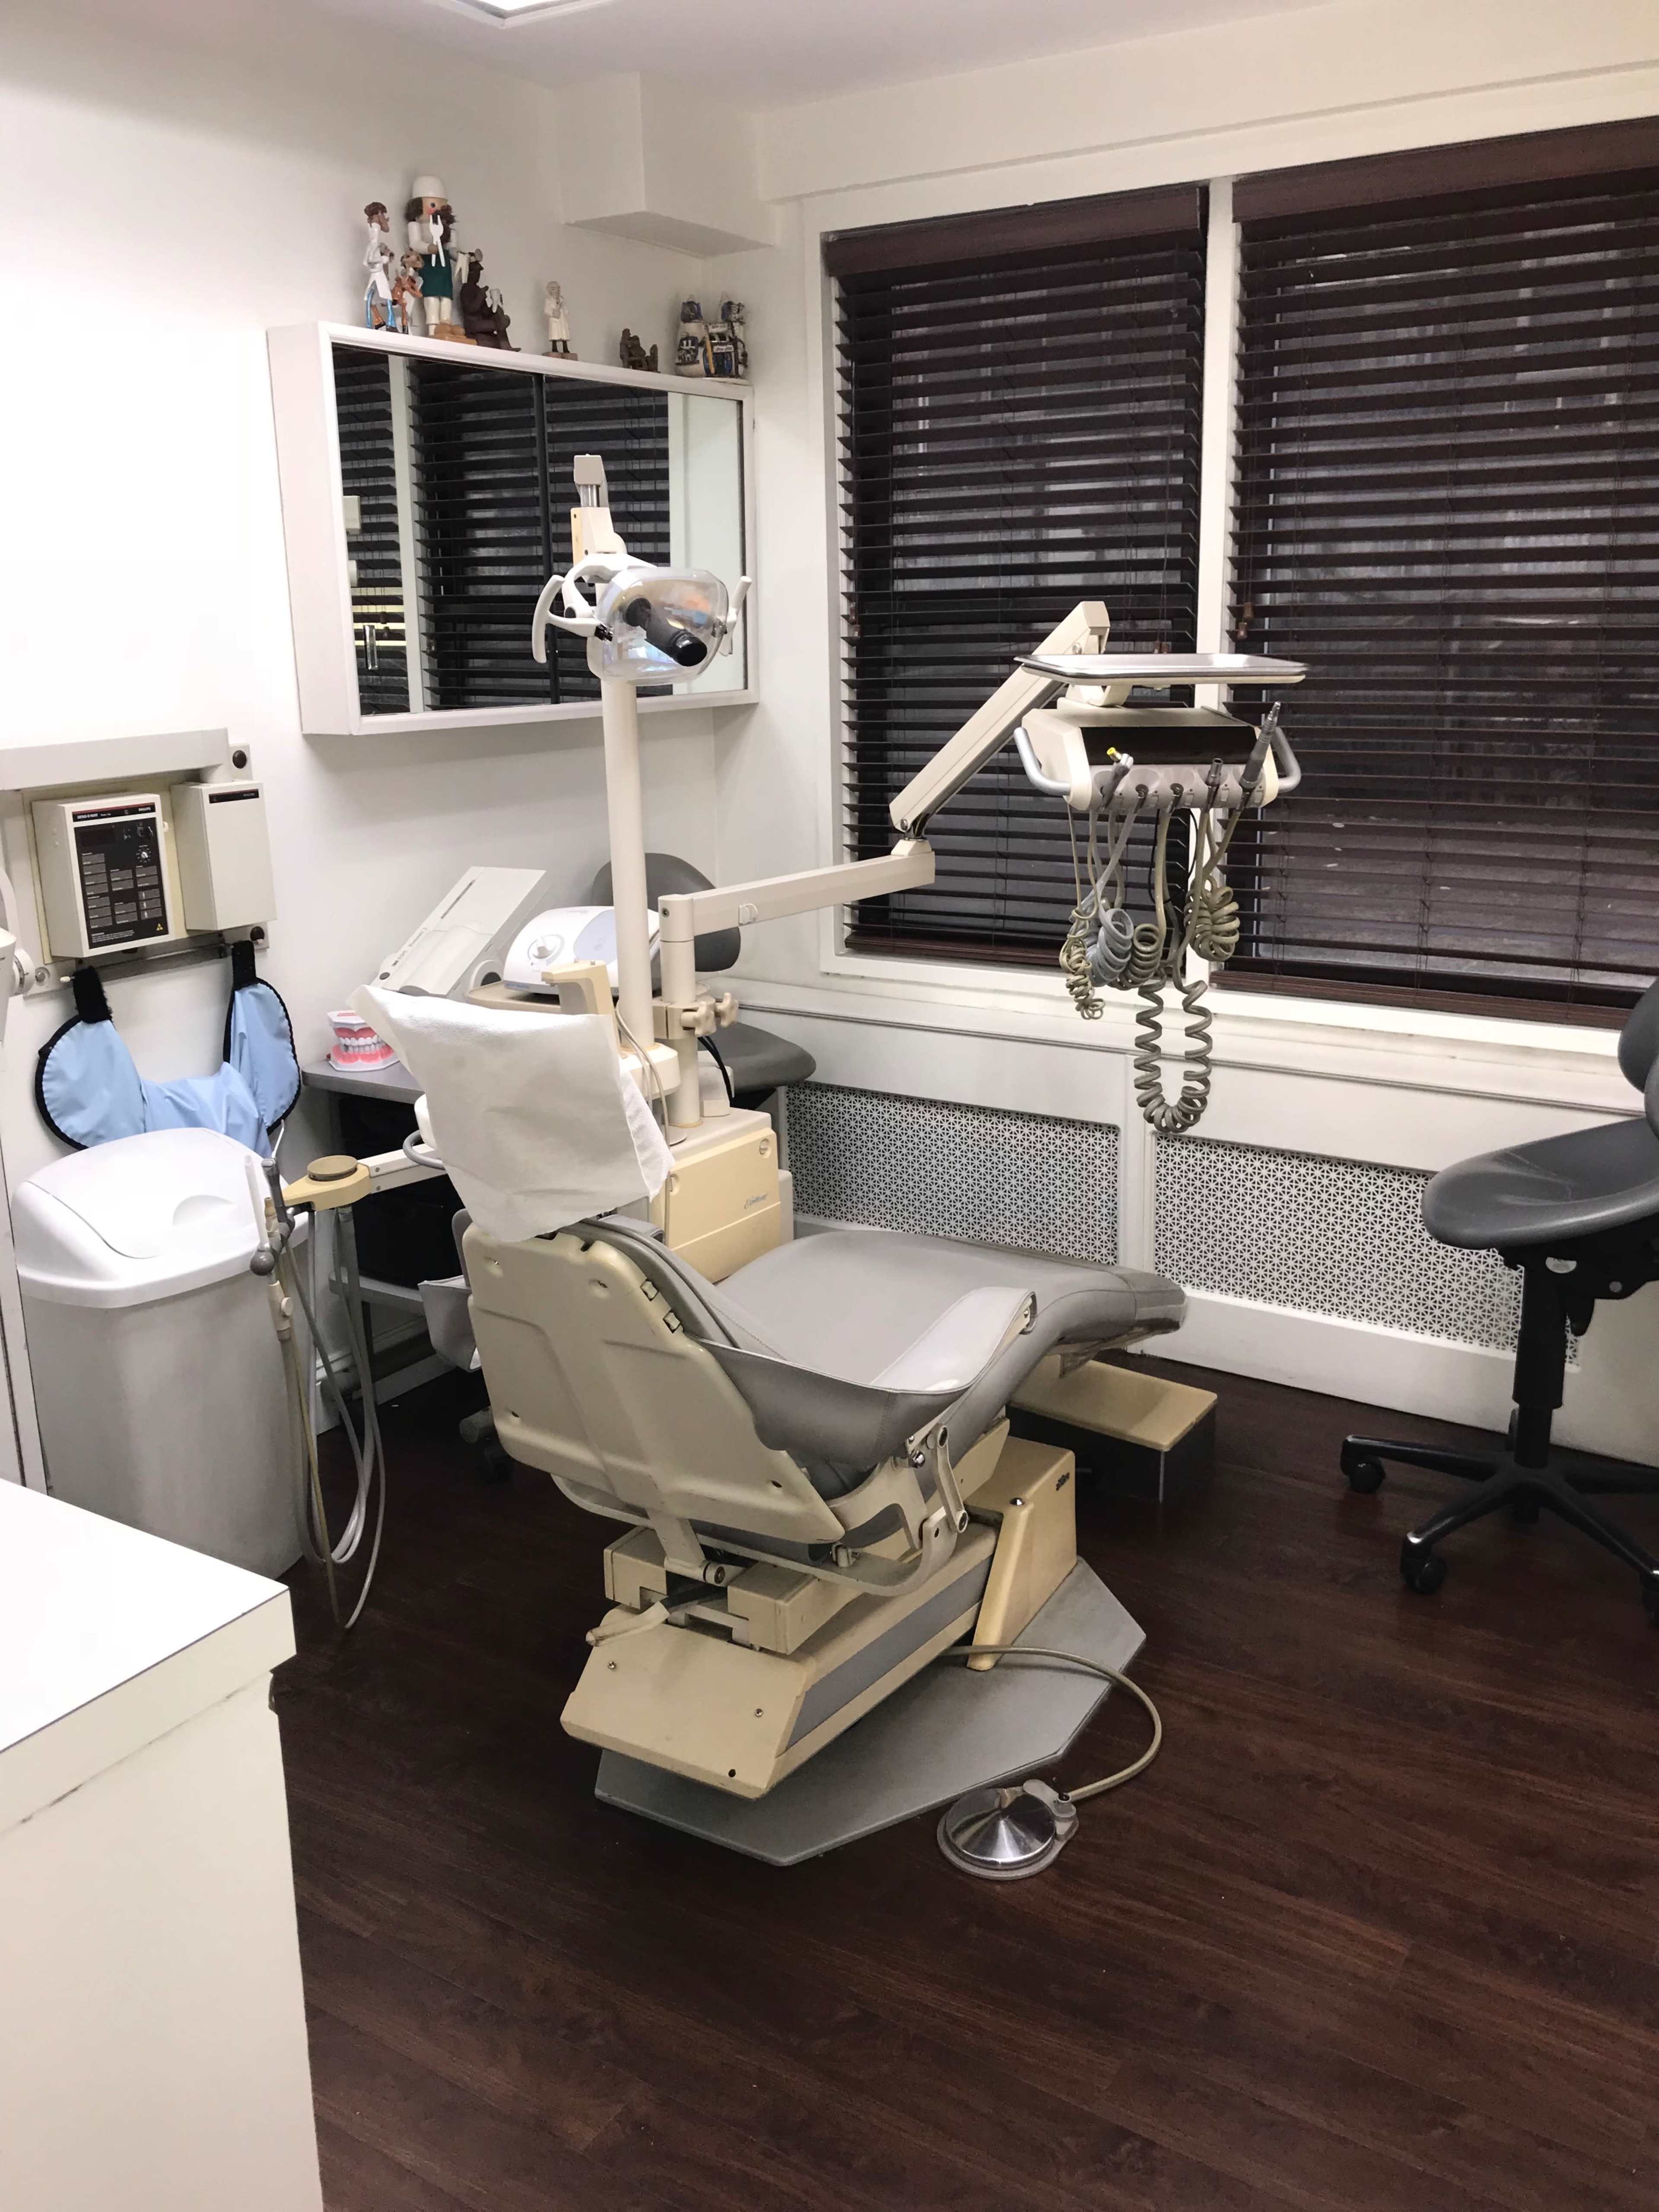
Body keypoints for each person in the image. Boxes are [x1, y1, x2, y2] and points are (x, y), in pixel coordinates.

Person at [405, 175, 457, 334]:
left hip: (444, 264)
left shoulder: (448, 230)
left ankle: (447, 323)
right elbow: (415, 244)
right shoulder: (415, 226)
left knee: (447, 294)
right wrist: (429, 248)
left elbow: (452, 248)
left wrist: (461, 256)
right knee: (431, 294)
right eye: (433, 205)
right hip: (428, 263)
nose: (438, 210)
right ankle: (433, 327)